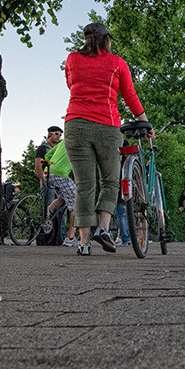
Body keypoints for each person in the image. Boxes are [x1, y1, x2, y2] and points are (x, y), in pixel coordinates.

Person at [64, 22, 151, 256]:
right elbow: (129, 94)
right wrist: (144, 122)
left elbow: (71, 84)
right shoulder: (117, 63)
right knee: (111, 181)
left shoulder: (72, 59)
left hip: (75, 123)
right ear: (106, 40)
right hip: (107, 125)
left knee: (84, 185)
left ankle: (83, 244)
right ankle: (103, 228)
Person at [41, 140, 78, 246]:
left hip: (48, 172)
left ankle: (47, 216)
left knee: (62, 197)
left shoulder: (64, 141)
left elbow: (48, 155)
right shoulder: (79, 142)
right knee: (77, 204)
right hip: (60, 174)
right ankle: (70, 238)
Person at [34, 126, 62, 207]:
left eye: (60, 135)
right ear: (49, 134)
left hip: (59, 180)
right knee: (49, 206)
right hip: (48, 179)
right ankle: (47, 219)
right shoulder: (43, 148)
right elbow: (38, 167)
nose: (58, 136)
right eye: (56, 134)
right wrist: (44, 180)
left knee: (61, 207)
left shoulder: (58, 149)